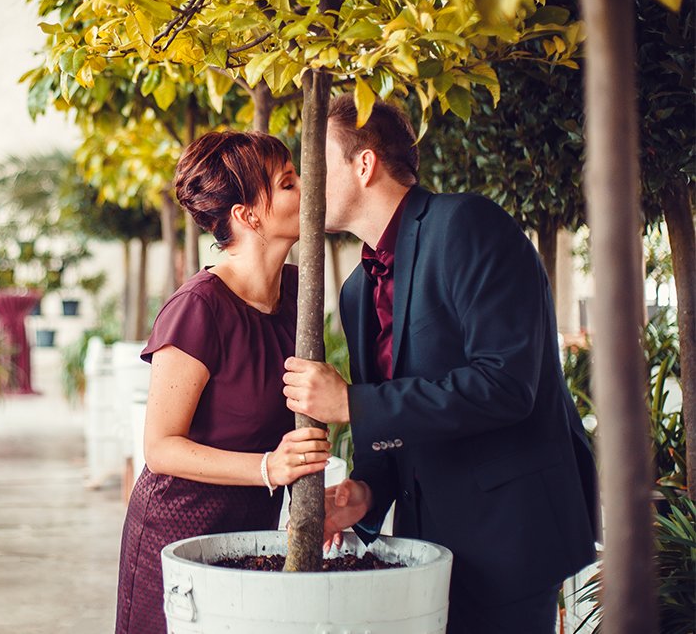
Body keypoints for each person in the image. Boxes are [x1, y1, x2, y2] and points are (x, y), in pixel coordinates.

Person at [281, 95, 598, 634]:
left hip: (510, 534)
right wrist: (366, 492)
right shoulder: (357, 289)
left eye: (318, 162)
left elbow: (505, 383)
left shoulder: (467, 223)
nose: (306, 182)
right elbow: (394, 424)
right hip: (426, 545)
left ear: (364, 165)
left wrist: (350, 403)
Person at [116, 130, 331, 634]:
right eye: (287, 183)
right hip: (176, 528)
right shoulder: (199, 308)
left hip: (254, 529)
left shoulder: (300, 292)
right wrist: (268, 467)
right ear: (247, 215)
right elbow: (160, 448)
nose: (307, 190)